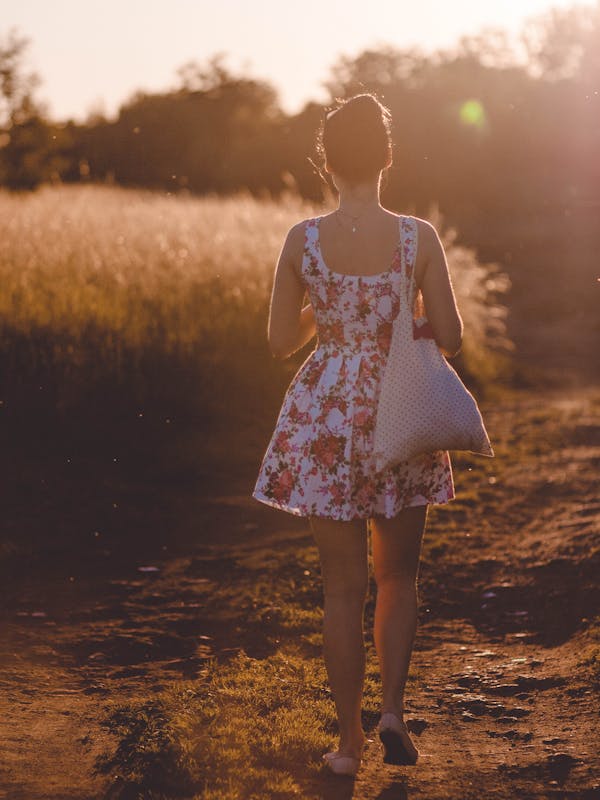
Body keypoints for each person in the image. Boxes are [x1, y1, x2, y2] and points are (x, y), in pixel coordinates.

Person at [252, 93, 463, 777]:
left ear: (326, 161)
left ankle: (347, 745)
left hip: (327, 416)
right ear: (387, 157)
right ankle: (393, 712)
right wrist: (400, 316)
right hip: (400, 409)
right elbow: (453, 339)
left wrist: (327, 309)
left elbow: (281, 341)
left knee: (341, 587)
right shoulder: (418, 239)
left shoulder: (302, 241)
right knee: (398, 575)